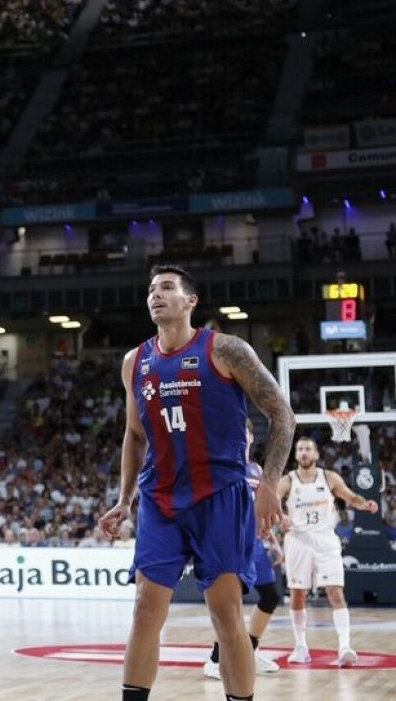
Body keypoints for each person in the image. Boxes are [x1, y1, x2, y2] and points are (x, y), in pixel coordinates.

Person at [97, 266, 295, 701]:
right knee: (146, 608)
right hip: (160, 498)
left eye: (167, 288)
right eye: (151, 289)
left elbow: (282, 414)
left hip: (219, 497)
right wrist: (124, 498)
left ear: (190, 301)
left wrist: (268, 484)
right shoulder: (135, 362)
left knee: (225, 615)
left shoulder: (226, 350)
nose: (156, 295)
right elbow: (134, 435)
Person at [279, 434, 378, 665]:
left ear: (316, 454)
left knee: (335, 591)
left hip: (325, 540)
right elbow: (273, 500)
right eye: (300, 449)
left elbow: (351, 496)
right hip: (298, 541)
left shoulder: (329, 477)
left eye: (308, 449)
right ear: (296, 455)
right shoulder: (288, 480)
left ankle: (345, 646)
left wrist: (365, 504)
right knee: (297, 595)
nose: (303, 452)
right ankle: (301, 646)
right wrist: (280, 517)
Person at [204, 419, 285, 680]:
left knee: (271, 596)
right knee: (231, 603)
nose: (241, 435)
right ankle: (215, 660)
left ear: (251, 437)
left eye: (246, 431)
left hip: (255, 544)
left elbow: (260, 509)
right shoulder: (220, 467)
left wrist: (273, 540)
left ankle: (249, 649)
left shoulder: (257, 470)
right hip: (228, 544)